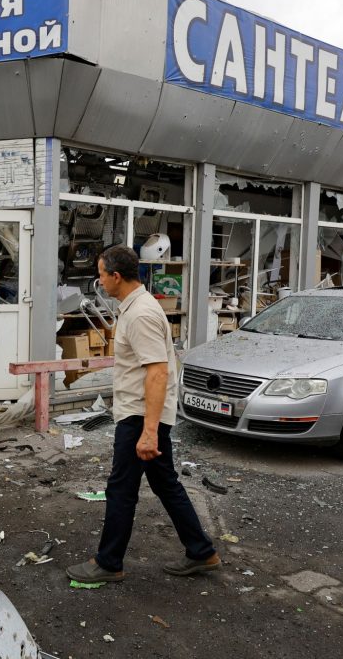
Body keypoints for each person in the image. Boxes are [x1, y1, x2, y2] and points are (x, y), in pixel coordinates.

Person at [66, 245, 219, 584]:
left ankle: (109, 563)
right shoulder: (134, 308)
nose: (100, 280)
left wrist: (149, 431)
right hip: (141, 414)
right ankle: (201, 551)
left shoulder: (141, 314)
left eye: (102, 273)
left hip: (140, 417)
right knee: (165, 483)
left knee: (121, 489)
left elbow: (158, 373)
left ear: (116, 276)